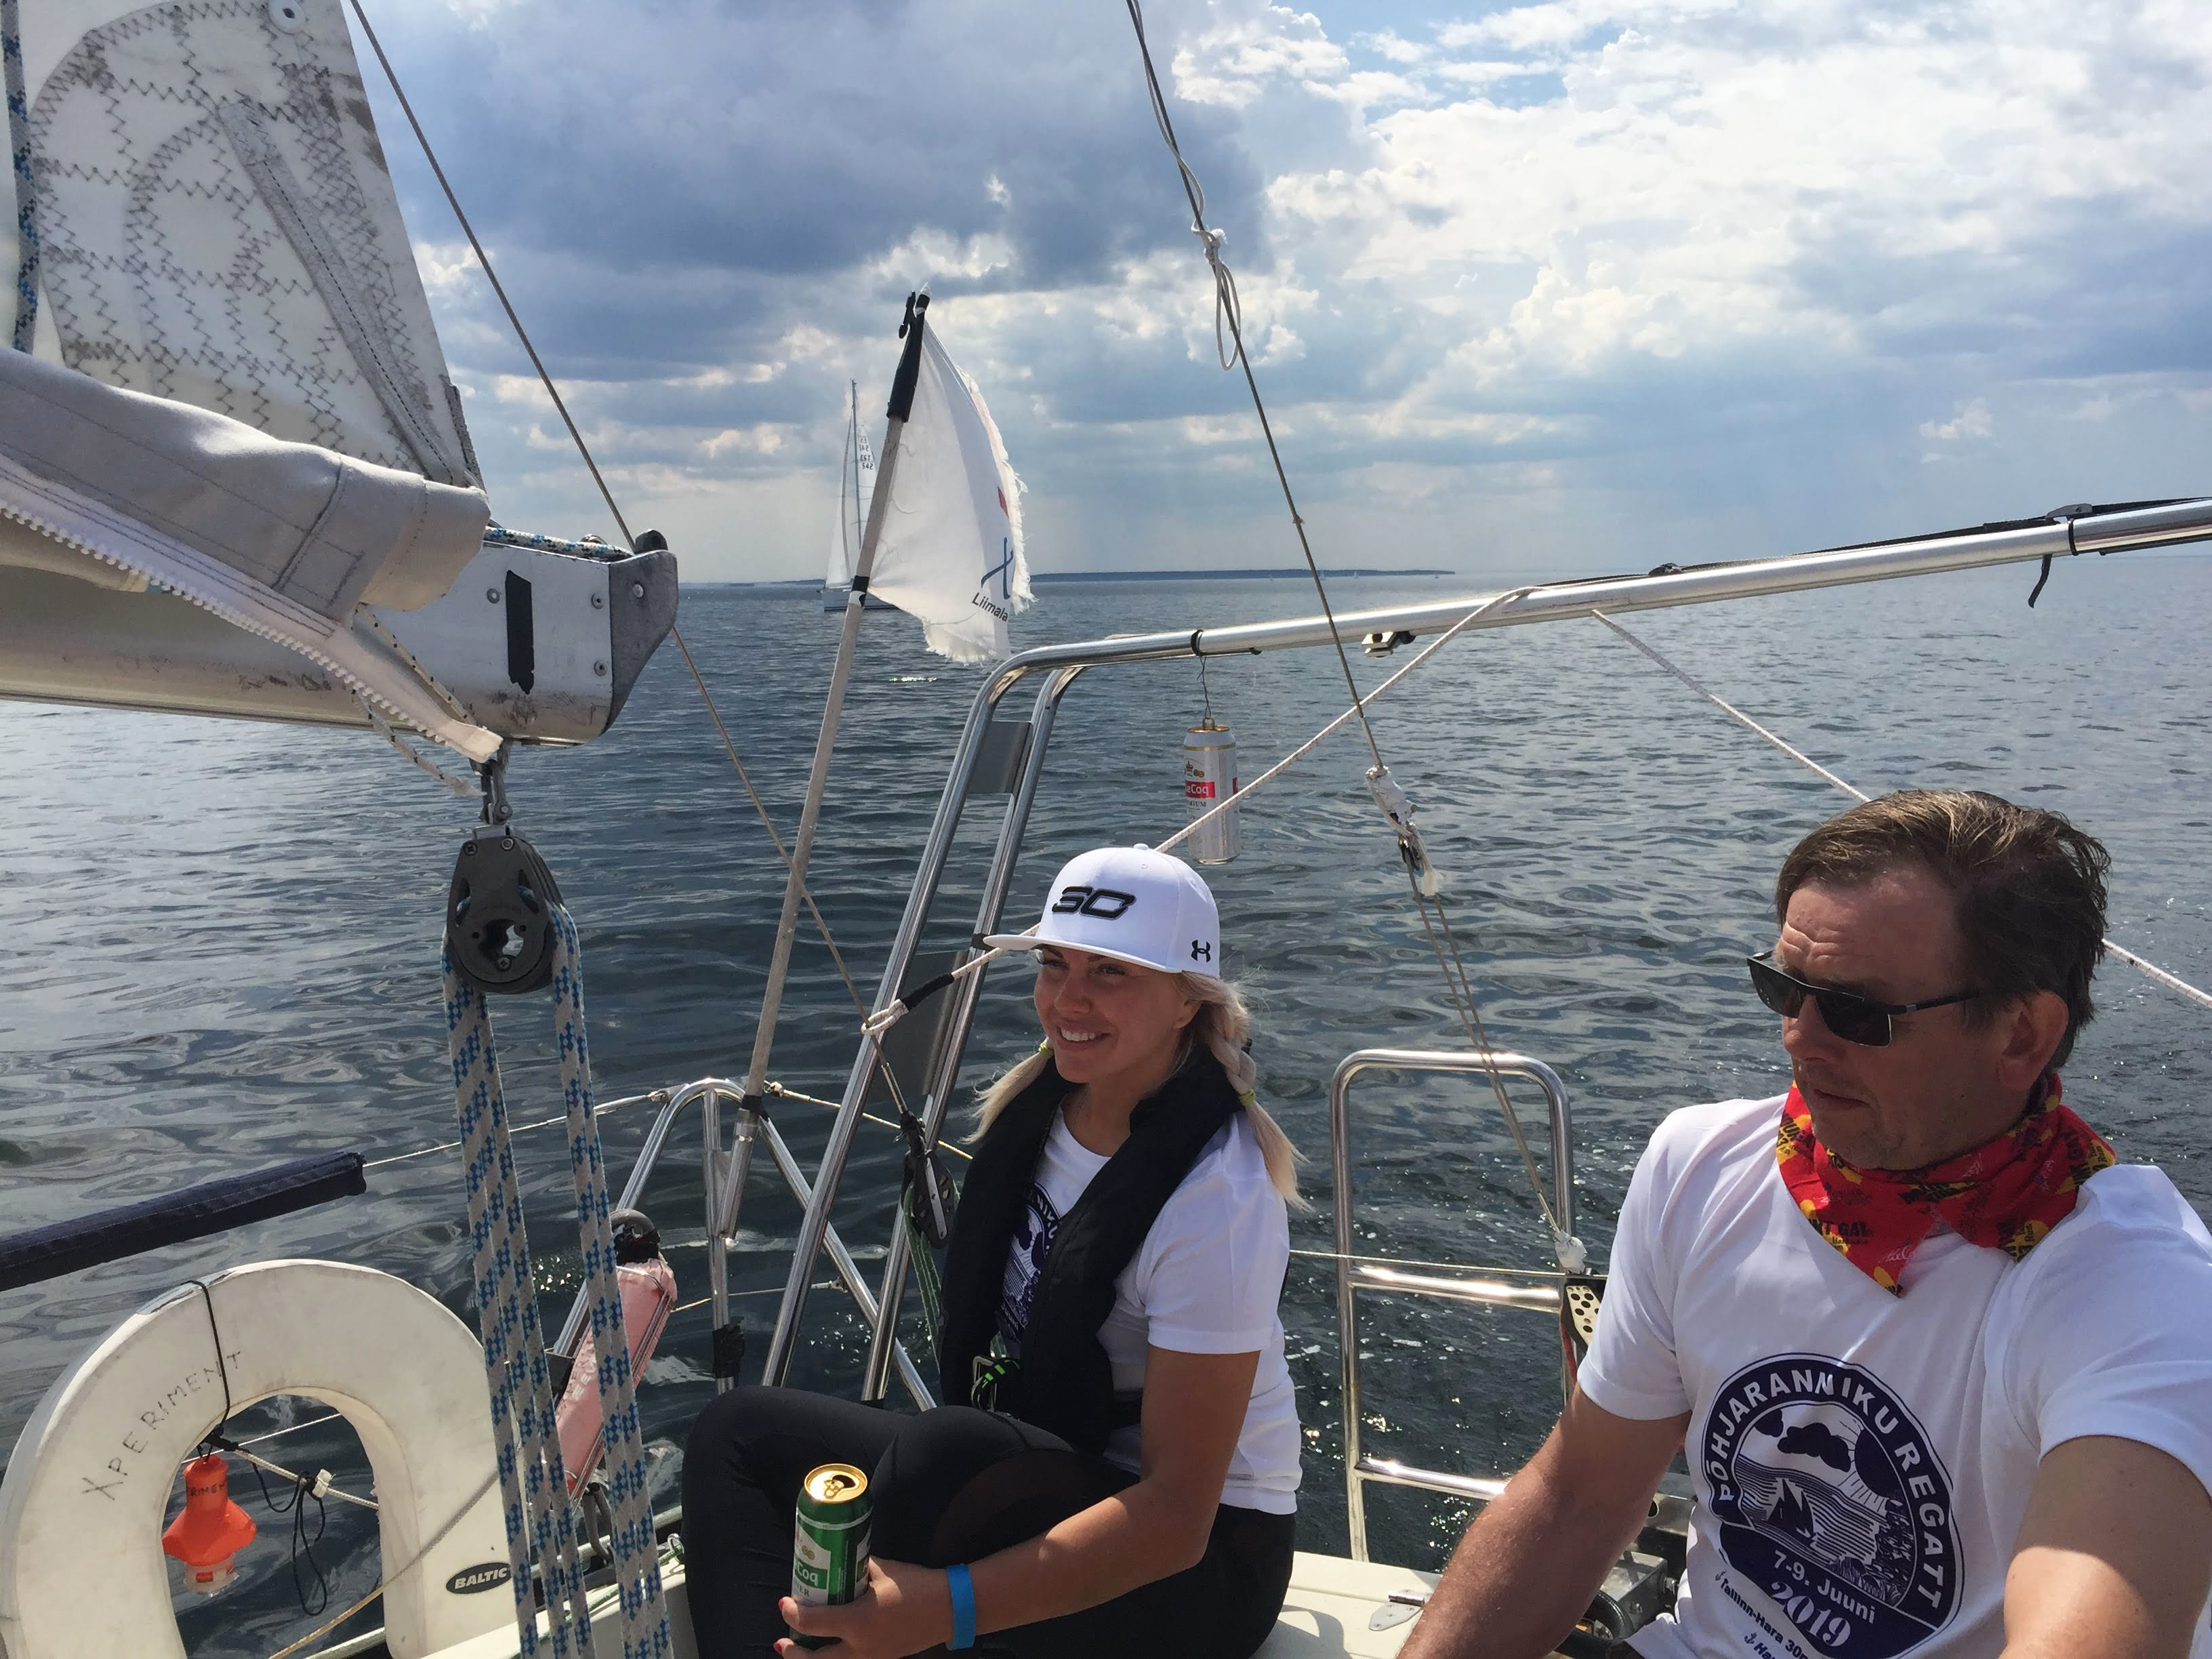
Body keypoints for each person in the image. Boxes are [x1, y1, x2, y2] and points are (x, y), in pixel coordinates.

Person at [1401, 790, 2212, 1659]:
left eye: (1859, 1012)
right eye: (1786, 988)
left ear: (2021, 1036)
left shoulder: (2137, 1293)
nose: (1800, 1038)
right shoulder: (1700, 1168)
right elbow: (1580, 1500)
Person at [682, 844, 1304, 1659]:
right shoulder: (1045, 1115)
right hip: (1067, 1469)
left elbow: (1177, 1519)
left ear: (1188, 999)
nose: (1068, 1000)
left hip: (1212, 1564)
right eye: (1054, 964)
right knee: (738, 1433)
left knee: (947, 1456)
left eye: (1111, 972)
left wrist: (944, 1610)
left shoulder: (1217, 1200)